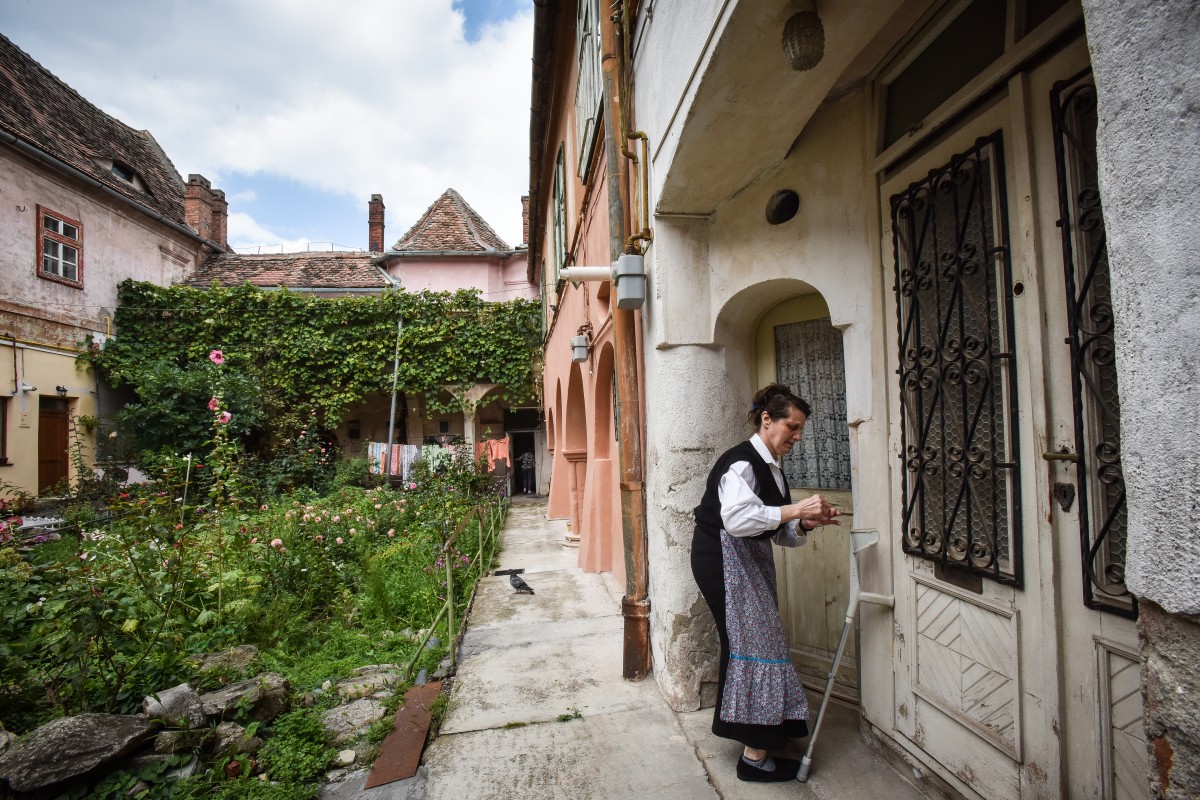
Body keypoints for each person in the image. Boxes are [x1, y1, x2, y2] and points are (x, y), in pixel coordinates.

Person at [691, 383, 840, 783]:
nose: (797, 436)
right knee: (754, 643)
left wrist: (805, 521)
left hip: (746, 559)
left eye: (800, 429)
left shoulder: (772, 468)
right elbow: (738, 520)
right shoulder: (741, 463)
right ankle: (753, 759)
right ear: (767, 419)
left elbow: (773, 529)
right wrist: (795, 508)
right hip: (722, 560)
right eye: (792, 426)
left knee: (760, 641)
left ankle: (760, 745)